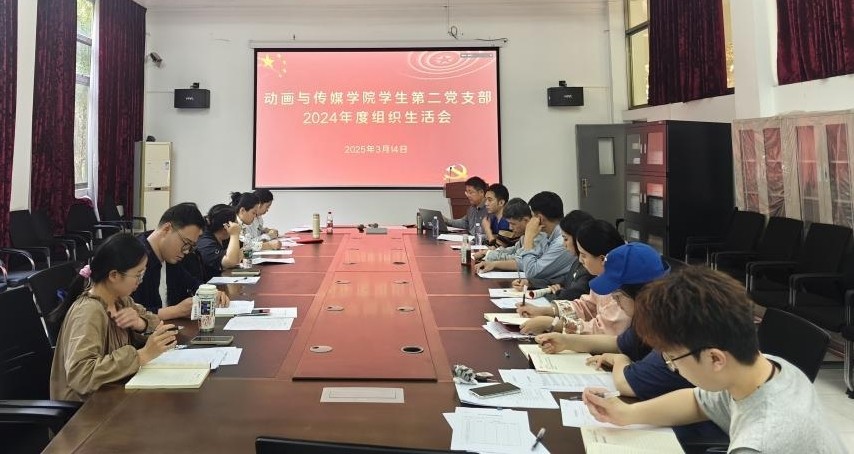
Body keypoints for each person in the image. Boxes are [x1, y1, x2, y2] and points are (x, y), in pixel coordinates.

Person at [582, 266, 846, 453]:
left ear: (715, 359)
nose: (675, 369)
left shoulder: (759, 443)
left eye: (673, 360)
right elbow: (698, 401)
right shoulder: (768, 367)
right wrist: (626, 414)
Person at [50, 233, 178, 401]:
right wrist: (140, 356)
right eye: (138, 275)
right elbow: (82, 375)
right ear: (114, 275)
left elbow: (155, 322)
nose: (140, 281)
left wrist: (141, 323)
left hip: (113, 394)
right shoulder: (88, 311)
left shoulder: (121, 299)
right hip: (86, 408)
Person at [517, 219, 625, 335]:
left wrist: (554, 324)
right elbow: (586, 306)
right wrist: (543, 311)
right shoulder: (602, 275)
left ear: (602, 259)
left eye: (584, 255)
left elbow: (603, 330)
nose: (580, 260)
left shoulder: (622, 289)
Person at [133, 202, 227, 320]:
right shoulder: (134, 258)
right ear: (167, 229)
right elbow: (128, 314)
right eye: (186, 243)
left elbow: (192, 283)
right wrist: (176, 311)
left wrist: (210, 292)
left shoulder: (170, 258)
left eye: (191, 247)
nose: (186, 251)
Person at [475, 191, 572, 287]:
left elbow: (532, 272)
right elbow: (523, 262)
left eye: (532, 216)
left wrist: (529, 236)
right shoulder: (549, 236)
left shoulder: (561, 242)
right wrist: (494, 264)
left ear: (540, 218)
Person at [513, 210, 595, 302]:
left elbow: (573, 295)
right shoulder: (578, 261)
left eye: (566, 239)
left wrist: (556, 293)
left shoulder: (589, 266)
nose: (564, 244)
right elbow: (564, 280)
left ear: (578, 239)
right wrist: (530, 283)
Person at [472, 198, 540, 262]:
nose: (510, 228)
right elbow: (513, 250)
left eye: (513, 224)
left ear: (526, 220)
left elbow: (517, 258)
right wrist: (487, 252)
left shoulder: (536, 237)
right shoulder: (523, 236)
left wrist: (489, 254)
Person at [195, 204, 242, 280]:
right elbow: (231, 262)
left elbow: (240, 253)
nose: (237, 226)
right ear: (226, 227)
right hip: (210, 284)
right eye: (235, 224)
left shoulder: (224, 237)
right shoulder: (205, 242)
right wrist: (234, 234)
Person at [480, 183, 513, 247]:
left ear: (501, 202)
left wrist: (487, 229)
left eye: (490, 200)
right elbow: (489, 241)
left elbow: (497, 248)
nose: (486, 203)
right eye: (486, 200)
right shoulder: (494, 219)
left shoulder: (508, 221)